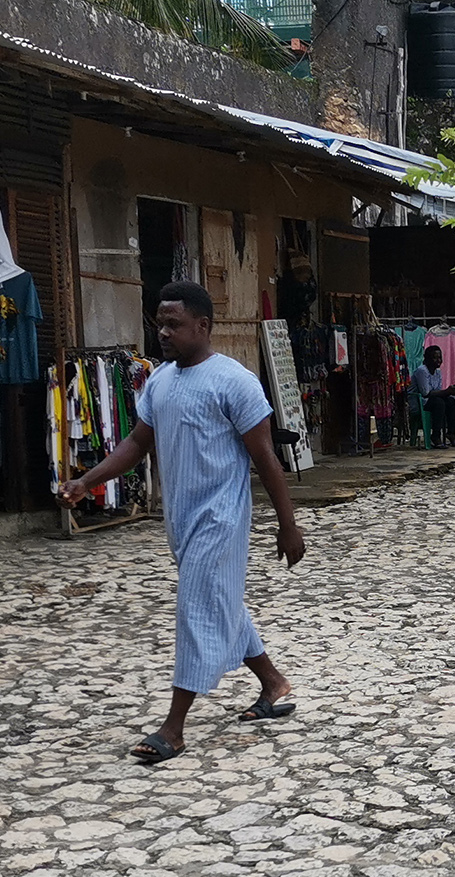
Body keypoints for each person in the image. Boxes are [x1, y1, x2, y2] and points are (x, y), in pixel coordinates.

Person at [58, 281, 305, 763]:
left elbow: (266, 458)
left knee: (196, 612)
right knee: (218, 602)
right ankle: (273, 683)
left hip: (221, 519)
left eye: (173, 324)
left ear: (202, 326)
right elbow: (135, 444)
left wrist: (288, 524)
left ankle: (173, 728)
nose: (164, 333)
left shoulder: (235, 381)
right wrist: (87, 481)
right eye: (159, 324)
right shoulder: (161, 381)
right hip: (182, 522)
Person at [411, 345, 455, 449]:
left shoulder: (437, 372)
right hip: (419, 402)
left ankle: (451, 433)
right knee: (439, 403)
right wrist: (445, 391)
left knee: (451, 401)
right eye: (435, 358)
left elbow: (438, 389)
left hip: (431, 400)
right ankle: (435, 436)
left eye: (440, 358)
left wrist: (448, 392)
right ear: (428, 359)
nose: (438, 361)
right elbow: (426, 393)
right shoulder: (422, 371)